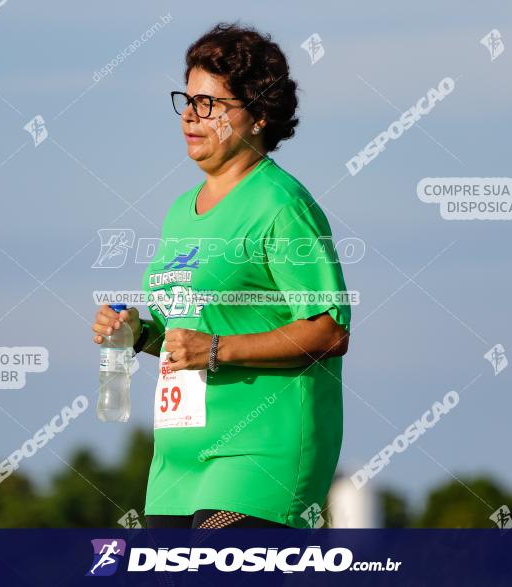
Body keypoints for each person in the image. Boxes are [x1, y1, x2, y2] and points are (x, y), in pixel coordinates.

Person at [91, 22, 351, 529]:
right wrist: (140, 334)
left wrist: (216, 351)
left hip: (259, 453)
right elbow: (190, 331)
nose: (190, 115)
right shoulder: (178, 212)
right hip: (176, 460)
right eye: (186, 100)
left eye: (209, 104)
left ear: (256, 116)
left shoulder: (281, 204)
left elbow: (329, 329)